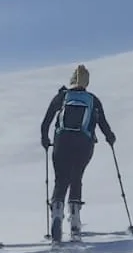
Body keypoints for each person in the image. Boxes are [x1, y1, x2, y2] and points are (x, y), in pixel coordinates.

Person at [40, 64, 116, 241]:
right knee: (76, 177)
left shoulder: (62, 97)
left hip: (61, 143)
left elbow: (46, 122)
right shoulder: (92, 100)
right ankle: (75, 222)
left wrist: (45, 139)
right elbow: (103, 123)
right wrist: (110, 137)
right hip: (84, 144)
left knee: (61, 178)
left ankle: (57, 213)